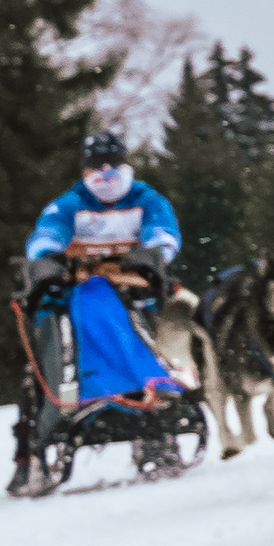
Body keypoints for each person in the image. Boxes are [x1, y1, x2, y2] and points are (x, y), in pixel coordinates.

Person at [21, 130, 187, 410]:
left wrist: (153, 254)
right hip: (78, 287)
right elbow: (47, 234)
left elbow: (163, 233)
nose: (106, 172)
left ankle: (157, 381)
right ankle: (117, 383)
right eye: (97, 165)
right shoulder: (70, 204)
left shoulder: (147, 200)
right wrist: (47, 256)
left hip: (135, 286)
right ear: (86, 169)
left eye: (112, 162)